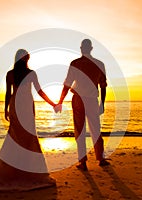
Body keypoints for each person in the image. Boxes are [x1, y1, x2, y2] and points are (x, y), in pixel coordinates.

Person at [0, 49, 56, 191]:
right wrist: (53, 104)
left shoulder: (11, 74)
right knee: (28, 137)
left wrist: (6, 109)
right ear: (25, 59)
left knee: (15, 137)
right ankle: (27, 171)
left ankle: (16, 170)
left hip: (16, 104)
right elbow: (39, 91)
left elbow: (9, 93)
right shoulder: (30, 73)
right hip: (26, 104)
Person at [57, 39, 109, 171]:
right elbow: (103, 86)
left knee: (80, 131)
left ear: (81, 48)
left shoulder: (75, 63)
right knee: (95, 129)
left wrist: (60, 101)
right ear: (91, 48)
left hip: (79, 99)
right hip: (92, 100)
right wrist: (102, 103)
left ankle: (83, 161)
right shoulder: (99, 64)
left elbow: (67, 84)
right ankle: (101, 158)